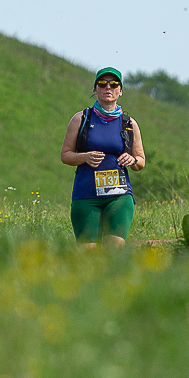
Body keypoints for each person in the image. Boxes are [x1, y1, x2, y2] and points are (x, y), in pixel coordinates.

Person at [60, 66, 145, 247]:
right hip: (86, 196)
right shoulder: (81, 119)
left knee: (114, 250)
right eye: (102, 83)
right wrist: (85, 157)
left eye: (114, 84)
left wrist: (133, 160)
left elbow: (141, 161)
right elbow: (65, 155)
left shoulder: (129, 123)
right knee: (88, 254)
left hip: (119, 196)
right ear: (95, 89)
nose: (108, 87)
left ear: (120, 91)